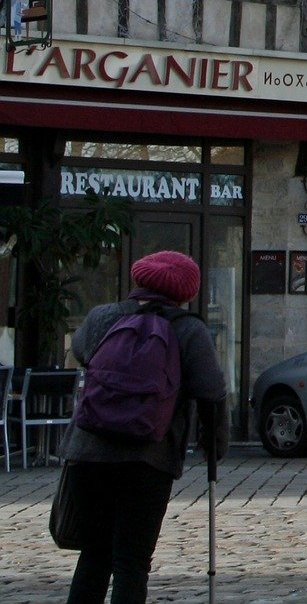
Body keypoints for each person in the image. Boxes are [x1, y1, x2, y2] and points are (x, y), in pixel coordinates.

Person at [62, 250, 228, 604]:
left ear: (138, 280)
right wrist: (214, 445)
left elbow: (81, 352)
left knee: (94, 555)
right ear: (186, 292)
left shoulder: (102, 317)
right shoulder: (188, 329)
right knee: (131, 563)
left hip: (87, 452)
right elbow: (211, 391)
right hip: (147, 459)